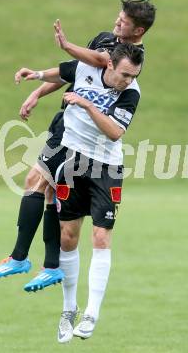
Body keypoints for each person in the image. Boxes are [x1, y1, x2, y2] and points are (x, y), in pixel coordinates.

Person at [0, 1, 156, 294]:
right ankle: (49, 265)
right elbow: (74, 72)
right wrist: (38, 88)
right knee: (48, 189)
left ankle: (20, 257)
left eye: (123, 20)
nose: (117, 21)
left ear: (138, 30)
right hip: (66, 123)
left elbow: (96, 61)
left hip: (80, 136)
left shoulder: (131, 58)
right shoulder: (105, 38)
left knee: (35, 180)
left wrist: (66, 45)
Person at [19, 43, 143, 342]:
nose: (128, 79)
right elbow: (62, 72)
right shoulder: (87, 69)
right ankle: (68, 309)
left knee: (100, 237)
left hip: (106, 169)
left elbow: (115, 132)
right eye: (125, 73)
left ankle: (91, 313)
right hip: (73, 164)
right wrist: (35, 79)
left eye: (134, 75)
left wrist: (86, 104)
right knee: (67, 237)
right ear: (109, 64)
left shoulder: (131, 93)